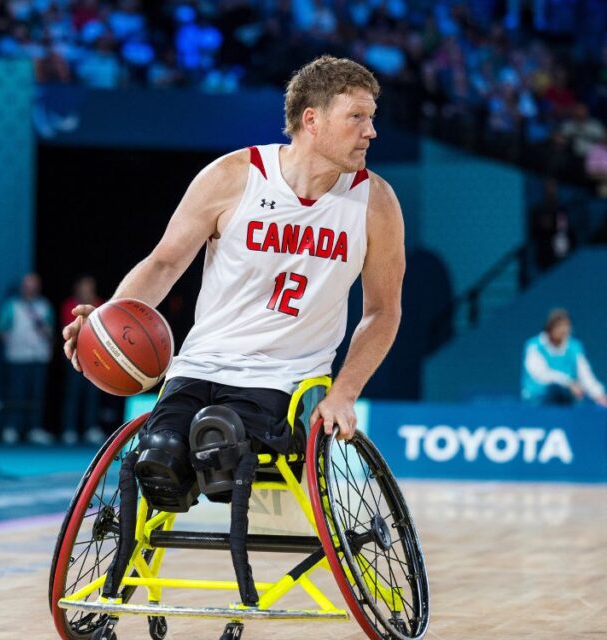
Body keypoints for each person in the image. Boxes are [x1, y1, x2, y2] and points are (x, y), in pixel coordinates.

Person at [63, 56, 405, 607]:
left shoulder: (376, 203)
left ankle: (241, 569)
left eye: (372, 116)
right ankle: (119, 584)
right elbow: (163, 264)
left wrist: (345, 392)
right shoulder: (233, 176)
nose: (372, 130)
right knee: (158, 453)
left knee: (220, 441)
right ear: (311, 120)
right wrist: (105, 323)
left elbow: (383, 312)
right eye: (358, 117)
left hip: (287, 382)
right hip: (199, 365)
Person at [0, 273, 56, 445]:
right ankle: (12, 428)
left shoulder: (44, 306)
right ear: (22, 287)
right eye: (27, 285)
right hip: (17, 357)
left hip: (38, 356)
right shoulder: (11, 306)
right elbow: (0, 329)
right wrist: (14, 342)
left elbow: (50, 329)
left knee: (36, 394)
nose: (30, 288)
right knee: (16, 394)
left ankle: (34, 429)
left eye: (34, 285)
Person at [521, 309, 607, 407]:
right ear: (550, 327)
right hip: (536, 402)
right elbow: (541, 375)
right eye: (559, 326)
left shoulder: (574, 347)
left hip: (566, 401)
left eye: (567, 326)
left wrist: (599, 394)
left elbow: (585, 376)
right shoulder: (534, 346)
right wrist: (568, 383)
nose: (564, 330)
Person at [59, 275, 105, 445]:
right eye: (84, 287)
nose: (87, 290)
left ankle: (90, 428)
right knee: (73, 393)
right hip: (75, 355)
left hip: (97, 358)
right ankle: (69, 429)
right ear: (78, 288)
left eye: (90, 287)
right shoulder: (70, 305)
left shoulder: (101, 304)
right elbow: (69, 330)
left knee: (93, 394)